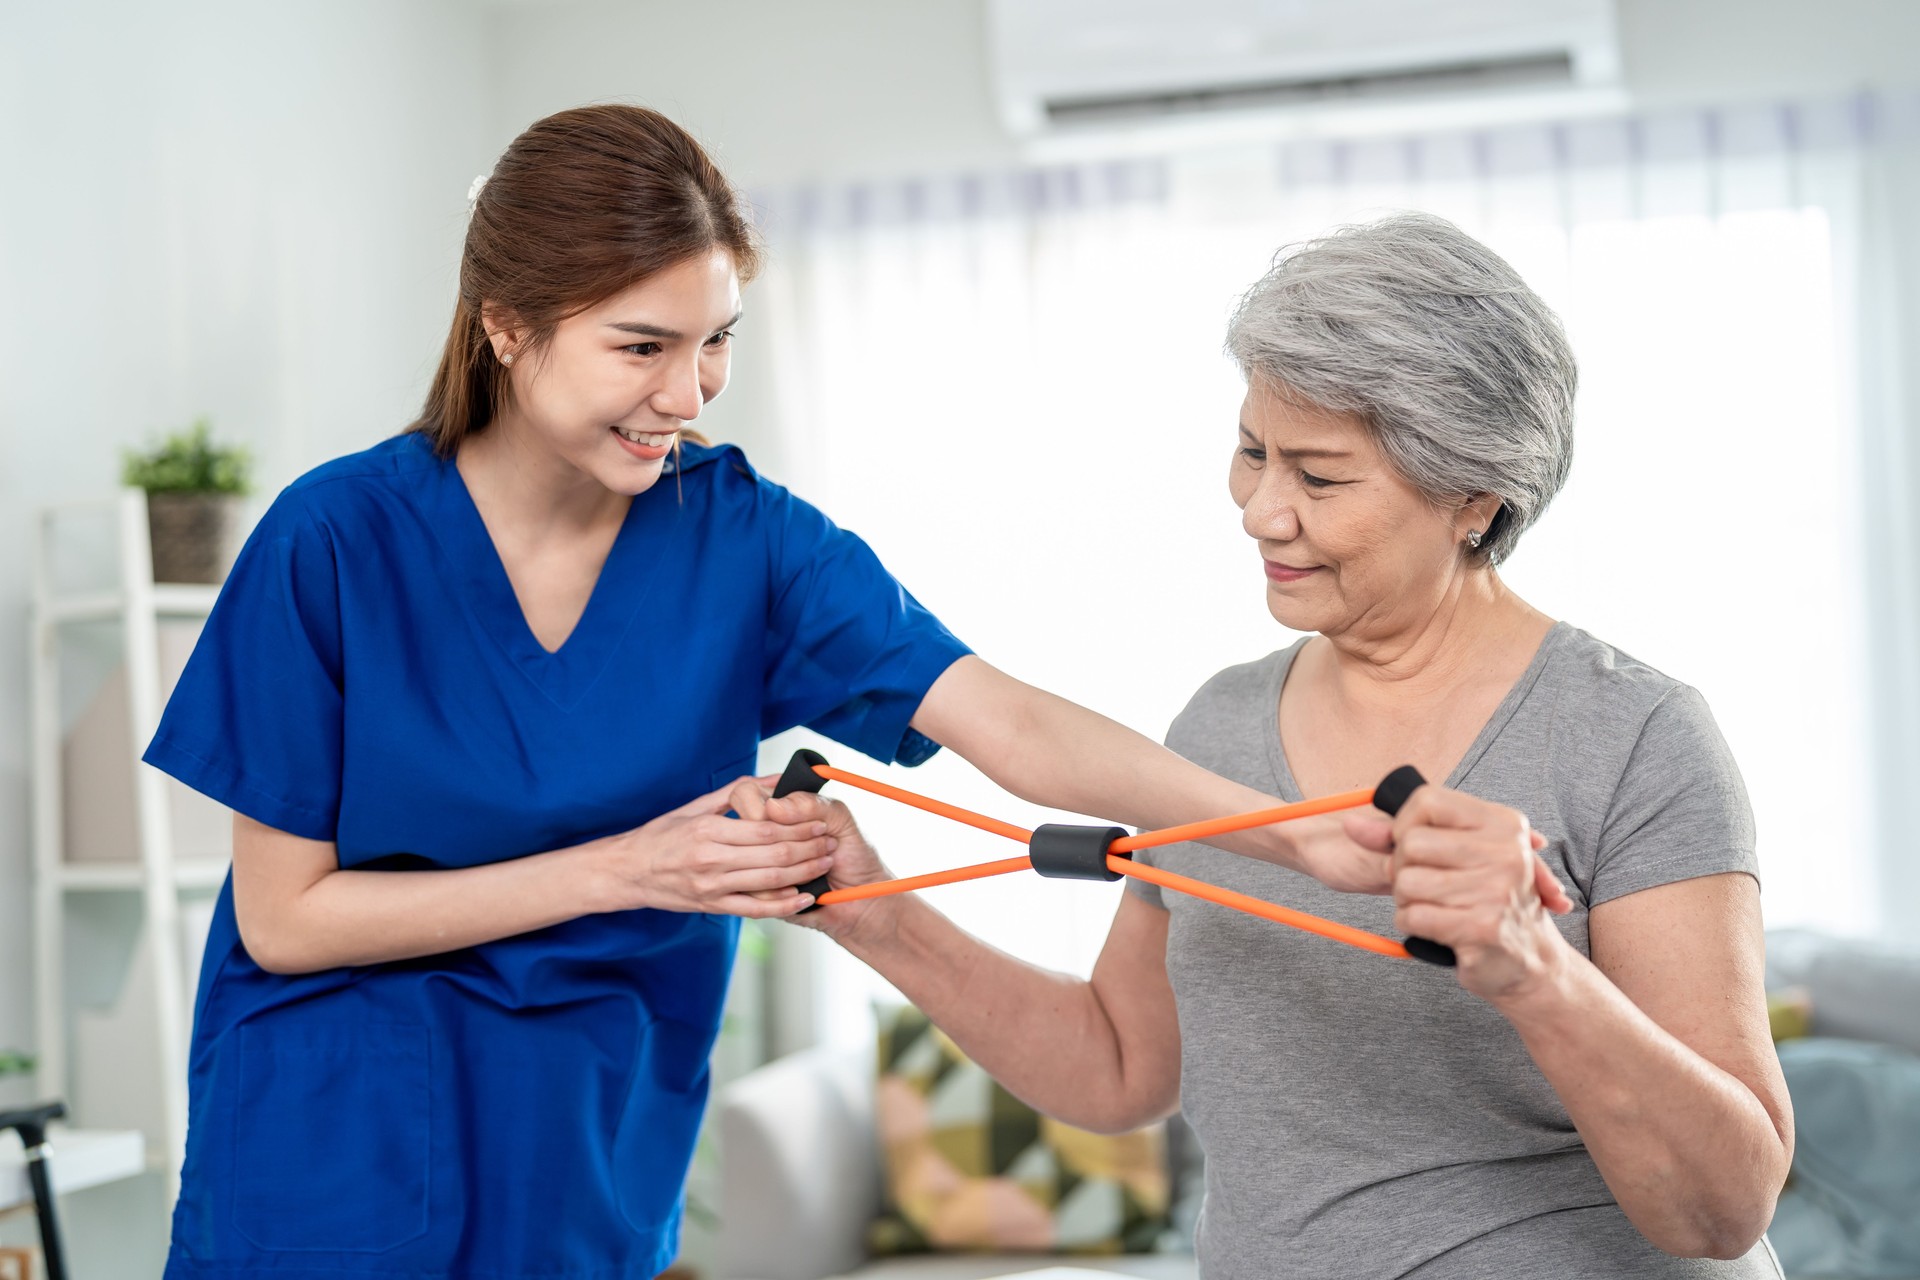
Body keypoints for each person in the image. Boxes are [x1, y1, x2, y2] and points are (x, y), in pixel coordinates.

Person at [142, 106, 1415, 1280]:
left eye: (714, 343)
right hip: (333, 1143)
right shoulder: (333, 540)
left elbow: (1013, 723)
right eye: (641, 346)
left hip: (584, 1144)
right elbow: (288, 919)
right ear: (507, 325)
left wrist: (1288, 829)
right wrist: (631, 866)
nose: (686, 393)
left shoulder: (743, 539)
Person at [775, 213, 1794, 1278]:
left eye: (1319, 477)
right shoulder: (1217, 725)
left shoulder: (1633, 734)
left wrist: (1535, 970)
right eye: (1253, 452)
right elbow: (1119, 1064)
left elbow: (1724, 1209)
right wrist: (873, 912)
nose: (1261, 512)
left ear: (1475, 496)